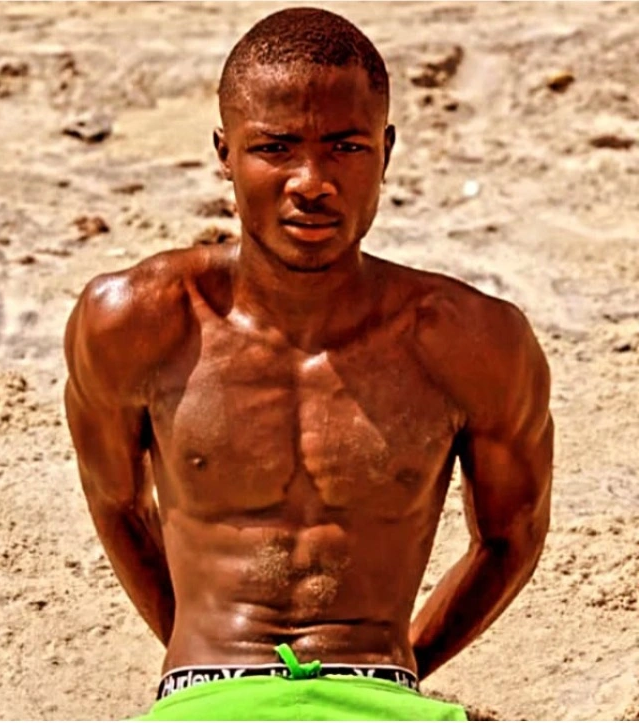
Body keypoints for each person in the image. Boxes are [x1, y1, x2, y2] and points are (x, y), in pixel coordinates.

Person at [64, 7, 553, 721]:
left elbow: (513, 536)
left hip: (383, 691)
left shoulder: (474, 339)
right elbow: (116, 504)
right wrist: (201, 663)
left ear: (386, 150)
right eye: (276, 147)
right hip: (205, 694)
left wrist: (397, 672)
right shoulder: (135, 320)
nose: (311, 181)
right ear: (225, 152)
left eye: (346, 146)